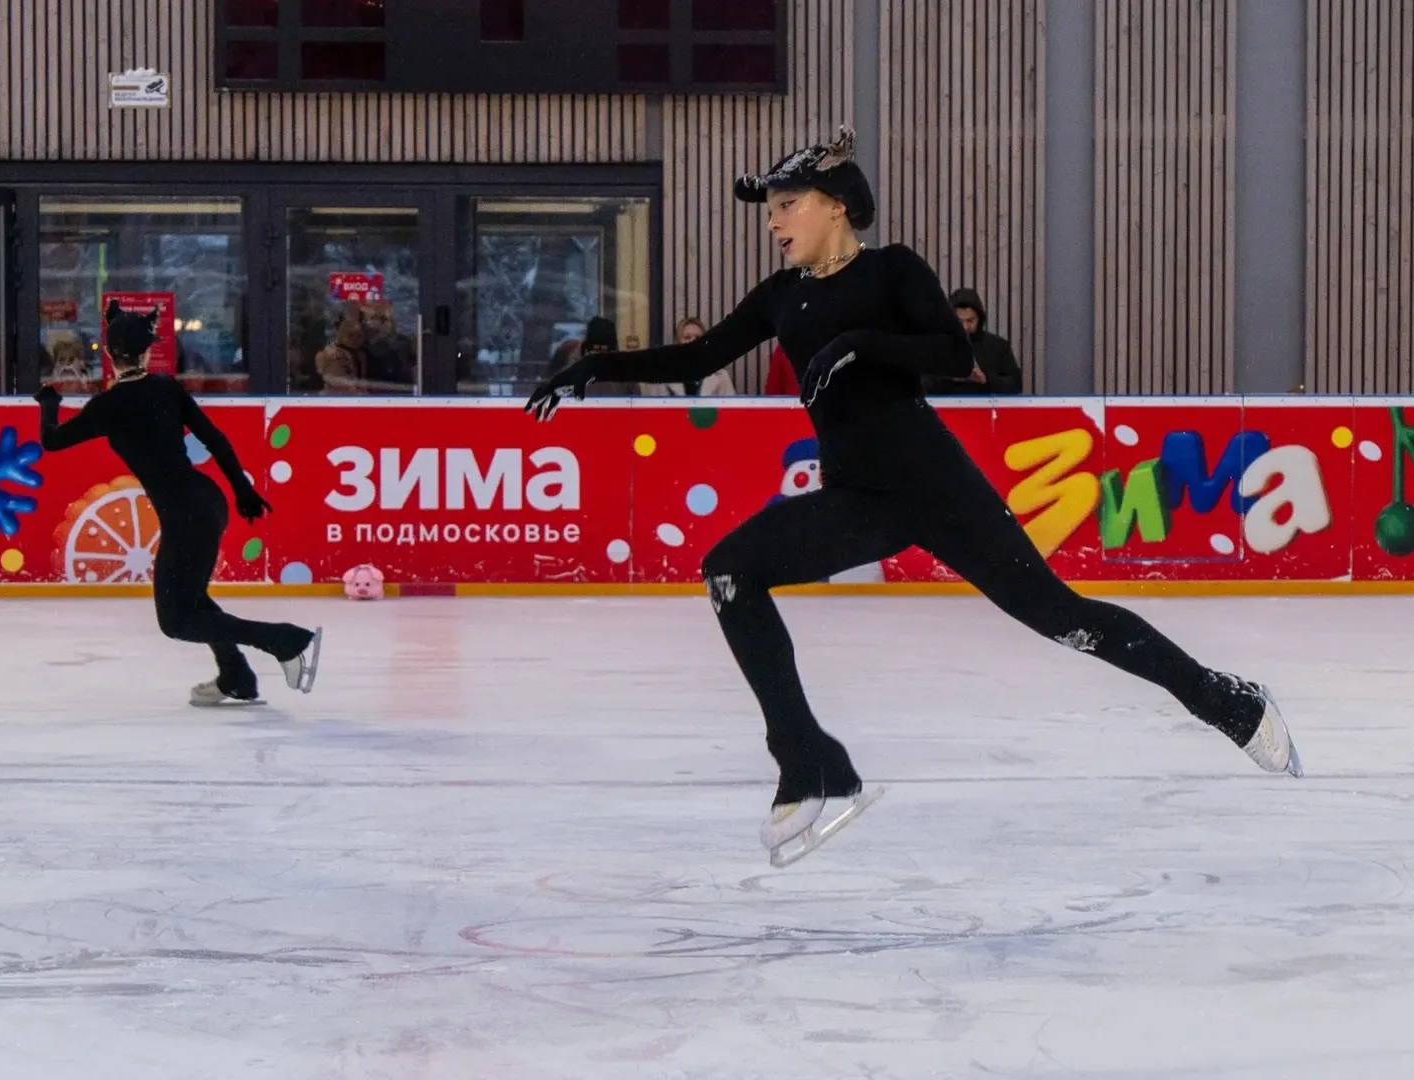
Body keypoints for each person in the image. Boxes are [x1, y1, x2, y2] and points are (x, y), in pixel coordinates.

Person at [525, 127, 1300, 866]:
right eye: (770, 213)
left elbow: (951, 351)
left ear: (834, 204)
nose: (775, 225)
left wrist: (857, 343)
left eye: (786, 207)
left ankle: (1226, 701)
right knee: (730, 570)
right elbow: (701, 351)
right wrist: (595, 368)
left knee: (1064, 619)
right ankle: (809, 760)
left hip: (936, 487)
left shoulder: (893, 270)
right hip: (860, 496)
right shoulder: (781, 296)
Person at [36, 300, 323, 706]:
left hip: (185, 515)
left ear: (111, 355)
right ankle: (236, 675)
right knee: (191, 598)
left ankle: (284, 641)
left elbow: (52, 440)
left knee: (176, 621)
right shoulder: (166, 387)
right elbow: (215, 439)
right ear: (146, 352)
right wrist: (241, 489)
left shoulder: (109, 406)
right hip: (208, 500)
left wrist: (49, 403)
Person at [924, 288, 1022, 395]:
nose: (965, 327)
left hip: (986, 410)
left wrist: (985, 379)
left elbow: (1015, 386)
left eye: (970, 321)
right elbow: (920, 386)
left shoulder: (999, 346)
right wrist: (951, 378)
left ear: (979, 319)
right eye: (959, 321)